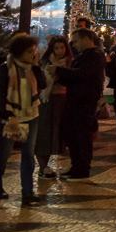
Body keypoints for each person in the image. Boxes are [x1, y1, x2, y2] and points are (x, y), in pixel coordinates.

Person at [0, 34, 46, 205]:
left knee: (28, 154)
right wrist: (5, 114)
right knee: (5, 152)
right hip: (11, 116)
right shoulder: (6, 68)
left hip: (31, 115)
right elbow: (0, 92)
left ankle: (27, 193)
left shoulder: (33, 68)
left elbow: (42, 84)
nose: (32, 54)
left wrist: (37, 67)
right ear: (19, 52)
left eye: (34, 51)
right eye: (29, 52)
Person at [59, 28, 106, 179]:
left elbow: (82, 74)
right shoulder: (83, 56)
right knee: (72, 134)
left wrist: (60, 71)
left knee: (82, 136)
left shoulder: (95, 56)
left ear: (86, 39)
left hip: (85, 103)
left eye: (76, 41)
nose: (74, 44)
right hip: (75, 101)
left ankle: (82, 168)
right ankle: (75, 165)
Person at [35, 35, 70, 179]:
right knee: (45, 132)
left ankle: (48, 164)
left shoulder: (70, 63)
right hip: (46, 100)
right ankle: (43, 166)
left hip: (62, 100)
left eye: (62, 47)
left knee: (58, 133)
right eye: (56, 48)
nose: (60, 51)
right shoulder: (45, 62)